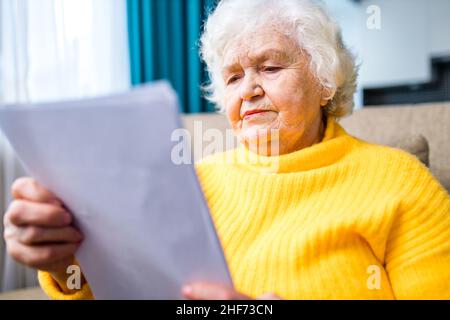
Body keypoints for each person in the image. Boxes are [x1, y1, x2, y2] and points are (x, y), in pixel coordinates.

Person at [3, 0, 450, 299]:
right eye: (233, 78)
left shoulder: (399, 181)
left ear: (325, 82)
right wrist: (66, 265)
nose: (249, 90)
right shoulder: (190, 181)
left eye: (271, 67)